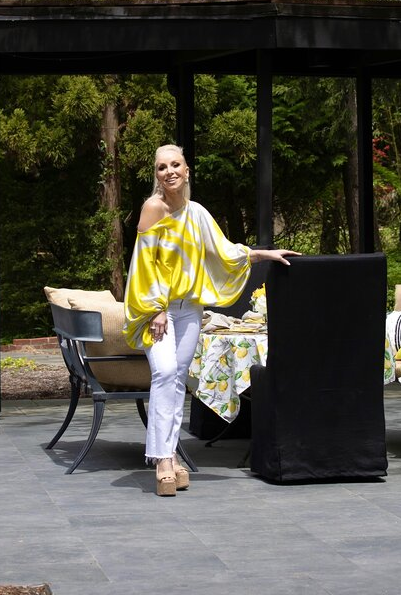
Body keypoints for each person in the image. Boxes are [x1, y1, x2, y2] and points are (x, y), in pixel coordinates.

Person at [123, 144, 298, 496]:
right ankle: (161, 461)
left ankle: (169, 457)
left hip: (191, 311)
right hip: (158, 309)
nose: (169, 171)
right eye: (161, 167)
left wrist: (264, 253)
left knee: (176, 381)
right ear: (155, 174)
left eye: (175, 165)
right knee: (164, 372)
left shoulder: (196, 213)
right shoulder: (152, 208)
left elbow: (224, 250)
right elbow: (144, 263)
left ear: (187, 170)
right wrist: (156, 307)